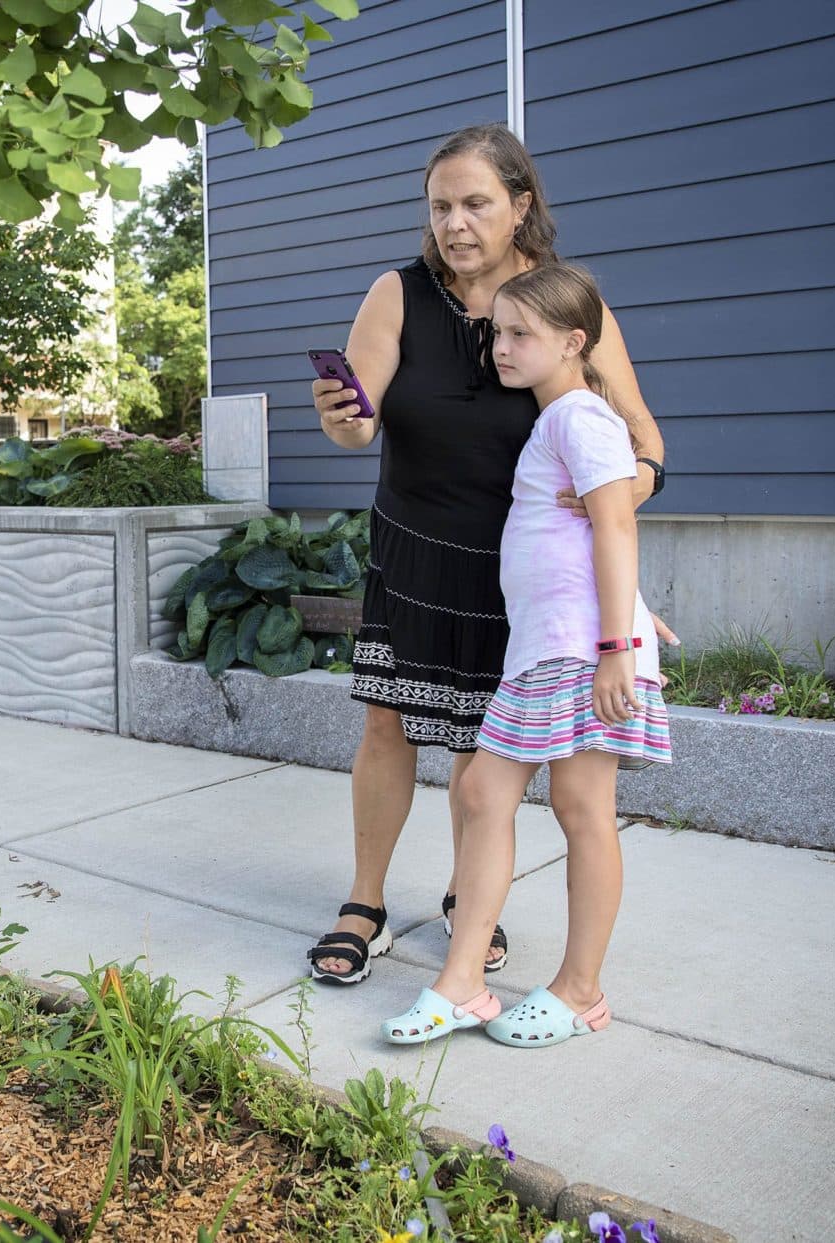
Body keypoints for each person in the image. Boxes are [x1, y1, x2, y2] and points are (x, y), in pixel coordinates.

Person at [306, 123, 668, 987]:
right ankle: (365, 902)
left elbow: (644, 441)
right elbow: (355, 425)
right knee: (387, 723)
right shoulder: (396, 294)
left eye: (475, 203)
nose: (455, 223)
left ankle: (472, 903)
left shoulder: (569, 309)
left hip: (518, 567)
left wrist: (622, 489)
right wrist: (341, 415)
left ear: (521, 206)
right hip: (414, 548)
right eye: (440, 206)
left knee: (482, 742)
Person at [382, 262, 672, 1047]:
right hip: (548, 648)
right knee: (483, 792)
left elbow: (617, 527)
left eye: (520, 335)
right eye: (496, 333)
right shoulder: (557, 421)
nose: (500, 349)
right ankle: (463, 983)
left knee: (580, 812)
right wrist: (639, 615)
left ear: (574, 341)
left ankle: (580, 990)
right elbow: (577, 540)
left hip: (582, 653)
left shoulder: (582, 417)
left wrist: (619, 643)